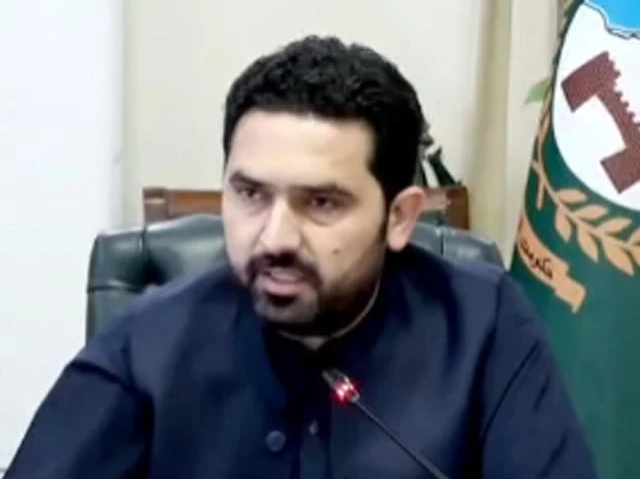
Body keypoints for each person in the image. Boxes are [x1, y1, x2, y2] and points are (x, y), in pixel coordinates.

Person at [6, 35, 598, 479]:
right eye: (250, 194)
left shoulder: (483, 327)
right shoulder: (146, 345)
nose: (275, 238)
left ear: (399, 217)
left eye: (321, 202)